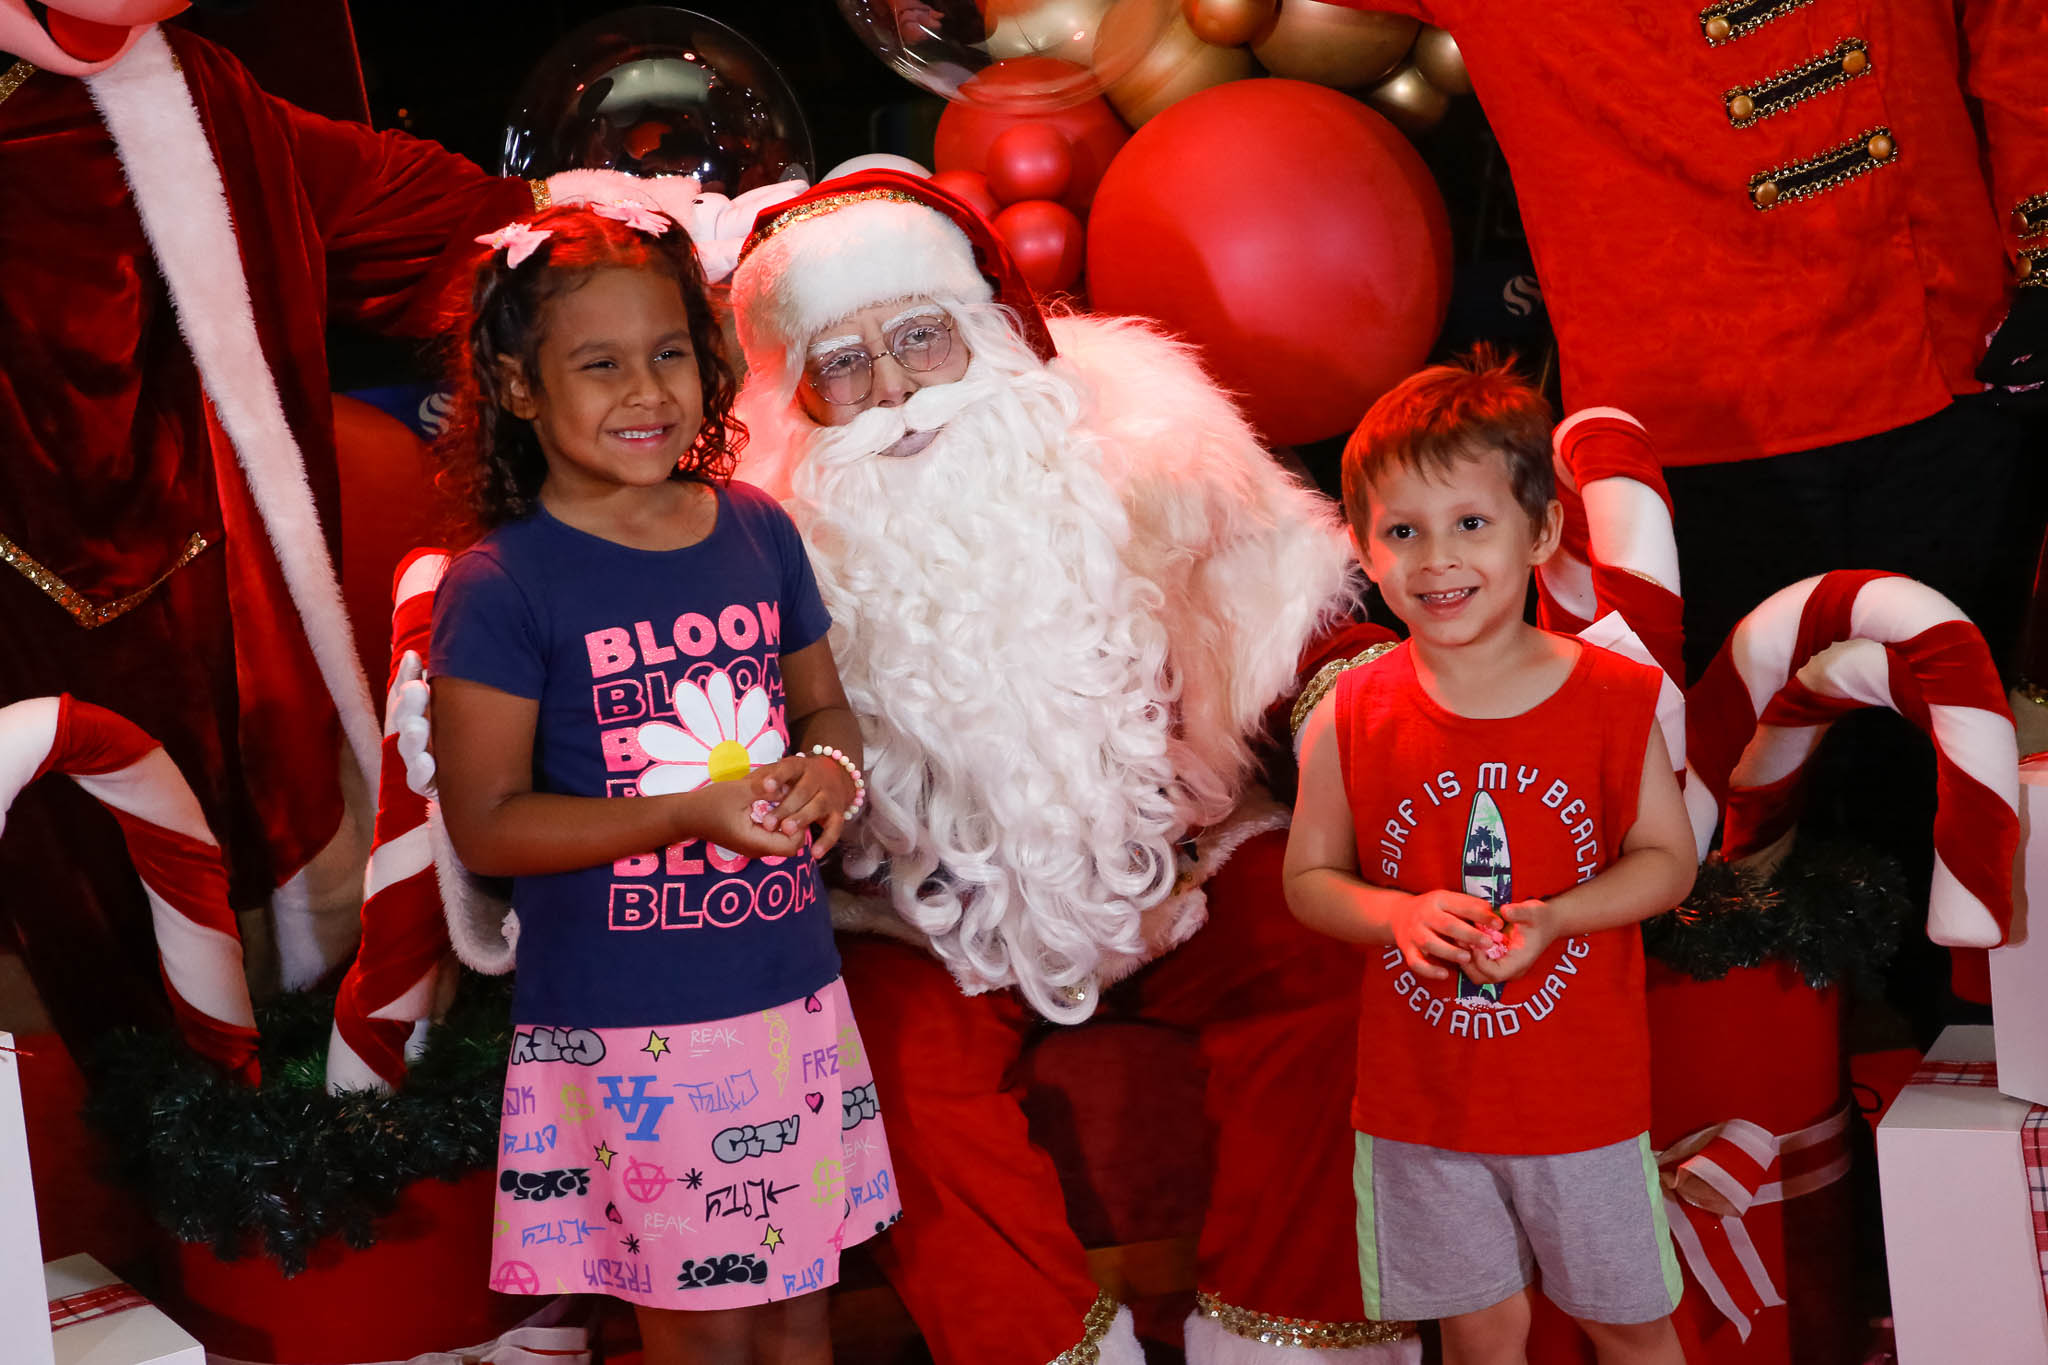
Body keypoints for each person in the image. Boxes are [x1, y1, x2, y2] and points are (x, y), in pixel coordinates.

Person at [729, 170, 1419, 1365]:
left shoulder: (1151, 455)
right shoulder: (761, 544)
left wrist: (1353, 717)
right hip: (920, 916)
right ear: (797, 396)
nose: (893, 393)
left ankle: (1298, 1345)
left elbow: (1292, 634)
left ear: (987, 330)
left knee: (1328, 963)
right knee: (883, 1060)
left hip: (1176, 862)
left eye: (919, 339)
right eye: (842, 365)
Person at [427, 202, 898, 1365]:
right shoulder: (502, 586)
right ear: (520, 387)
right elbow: (488, 826)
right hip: (630, 1026)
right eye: (600, 364)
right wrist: (683, 815)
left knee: (802, 1310)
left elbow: (823, 711)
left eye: (669, 353)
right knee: (701, 1325)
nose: (646, 391)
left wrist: (830, 773)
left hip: (786, 1001)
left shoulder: (755, 531)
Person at [1283, 354, 1698, 1365]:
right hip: (1422, 1107)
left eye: (1470, 522)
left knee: (1628, 1326)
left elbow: (1666, 861)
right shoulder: (1351, 710)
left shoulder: (1612, 698)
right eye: (1402, 531)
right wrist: (1395, 914)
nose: (1437, 559)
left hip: (1579, 1101)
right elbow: (1309, 879)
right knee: (1480, 1331)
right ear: (1362, 548)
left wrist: (1557, 916)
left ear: (1540, 532)